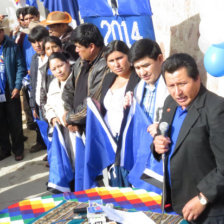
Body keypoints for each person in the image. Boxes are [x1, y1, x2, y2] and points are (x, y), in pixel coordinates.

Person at [153, 53, 224, 223]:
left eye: (182, 84)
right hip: (177, 205)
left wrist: (203, 198)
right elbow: (164, 136)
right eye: (171, 85)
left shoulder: (216, 109)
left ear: (197, 78)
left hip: (209, 211)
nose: (177, 92)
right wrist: (156, 144)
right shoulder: (170, 103)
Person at [62, 23, 109, 133]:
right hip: (79, 126)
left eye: (78, 47)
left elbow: (93, 105)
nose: (76, 51)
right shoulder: (80, 61)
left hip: (97, 128)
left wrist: (69, 118)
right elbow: (68, 90)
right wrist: (69, 115)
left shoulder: (106, 65)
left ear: (91, 47)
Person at [126, 38, 169, 136]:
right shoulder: (137, 89)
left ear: (160, 59)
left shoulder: (172, 87)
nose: (142, 72)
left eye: (146, 65)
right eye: (137, 68)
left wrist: (161, 127)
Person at [100, 40, 139, 138]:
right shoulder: (108, 78)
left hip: (128, 135)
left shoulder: (137, 78)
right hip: (108, 136)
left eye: (119, 58)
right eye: (111, 61)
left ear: (129, 56)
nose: (116, 64)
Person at [0, 24, 26, 161]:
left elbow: (21, 67)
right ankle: (5, 150)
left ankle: (18, 149)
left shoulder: (12, 47)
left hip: (10, 90)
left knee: (15, 122)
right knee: (1, 123)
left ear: (2, 32)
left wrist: (17, 86)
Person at [28, 25, 49, 153]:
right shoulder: (34, 59)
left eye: (40, 40)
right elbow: (33, 83)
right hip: (39, 104)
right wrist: (33, 106)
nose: (37, 45)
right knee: (45, 133)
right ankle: (51, 154)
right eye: (33, 42)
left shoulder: (53, 57)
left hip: (51, 103)